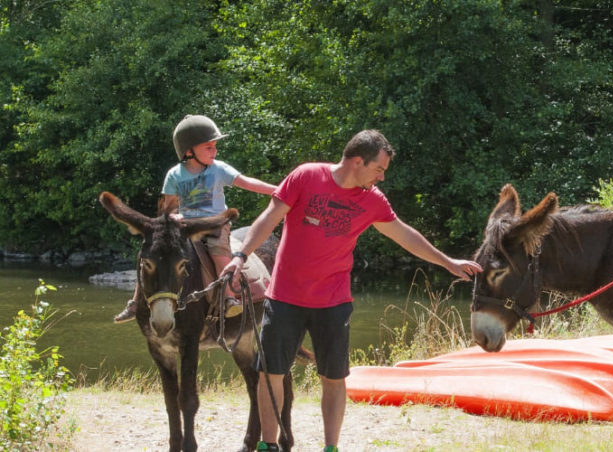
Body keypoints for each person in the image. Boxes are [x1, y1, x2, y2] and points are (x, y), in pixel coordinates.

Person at [221, 129, 482, 452]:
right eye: (379, 169)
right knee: (271, 372)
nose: (381, 177)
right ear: (358, 161)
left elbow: (405, 235)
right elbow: (268, 219)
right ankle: (268, 445)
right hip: (284, 297)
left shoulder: (372, 200)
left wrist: (447, 262)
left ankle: (331, 447)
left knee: (333, 378)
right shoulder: (305, 176)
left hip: (333, 302)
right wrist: (240, 256)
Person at [113, 115, 277, 323]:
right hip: (187, 227)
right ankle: (136, 303)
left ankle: (228, 297)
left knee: (219, 254)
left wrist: (278, 190)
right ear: (189, 151)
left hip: (215, 225)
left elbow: (247, 182)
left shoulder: (219, 168)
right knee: (152, 253)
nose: (214, 151)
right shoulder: (174, 175)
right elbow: (168, 207)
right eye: (208, 147)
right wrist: (173, 216)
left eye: (215, 147)